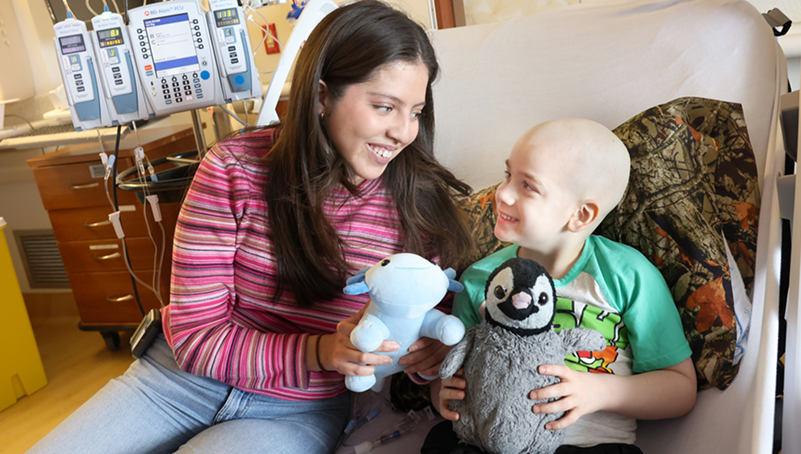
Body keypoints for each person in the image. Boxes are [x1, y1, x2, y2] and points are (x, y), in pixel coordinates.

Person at [28, 2, 473, 453]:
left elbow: (429, 332)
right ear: (322, 96)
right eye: (384, 107)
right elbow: (196, 337)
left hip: (299, 409)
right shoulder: (232, 170)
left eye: (415, 111)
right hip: (178, 383)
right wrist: (318, 351)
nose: (403, 132)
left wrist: (427, 361)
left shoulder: (419, 207)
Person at [423, 119, 697, 454]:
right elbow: (453, 370)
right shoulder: (483, 279)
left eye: (528, 186)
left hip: (588, 445)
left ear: (581, 215)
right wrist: (442, 393)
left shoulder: (627, 276)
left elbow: (681, 389)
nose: (502, 192)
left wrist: (600, 391)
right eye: (508, 175)